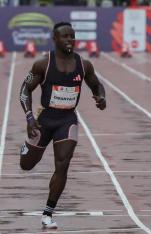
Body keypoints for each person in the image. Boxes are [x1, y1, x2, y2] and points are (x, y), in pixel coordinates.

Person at [19, 22, 106, 229]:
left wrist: (101, 97)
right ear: (55, 39)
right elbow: (24, 90)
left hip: (67, 121)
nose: (69, 40)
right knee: (26, 164)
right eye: (64, 36)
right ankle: (26, 148)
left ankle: (48, 213)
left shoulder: (84, 65)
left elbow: (97, 84)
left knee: (63, 164)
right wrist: (30, 118)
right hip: (44, 120)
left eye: (72, 36)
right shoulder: (42, 64)